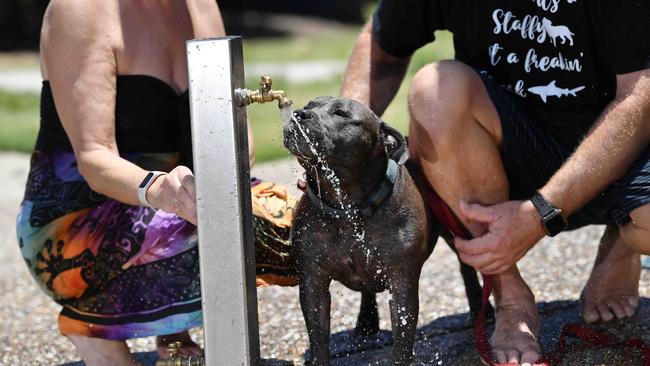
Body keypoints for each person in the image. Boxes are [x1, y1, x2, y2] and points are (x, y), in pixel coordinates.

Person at [341, 1, 649, 364]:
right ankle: (509, 294)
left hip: (621, 141)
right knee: (433, 90)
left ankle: (621, 243)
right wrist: (347, 155)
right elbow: (381, 46)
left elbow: (637, 98)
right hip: (507, 144)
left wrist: (542, 213)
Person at [15, 0, 297, 365]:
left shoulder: (200, 6)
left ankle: (172, 330)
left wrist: (229, 174)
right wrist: (164, 191)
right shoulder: (79, 10)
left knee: (295, 225)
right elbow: (94, 158)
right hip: (75, 221)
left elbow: (232, 131)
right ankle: (91, 325)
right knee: (197, 225)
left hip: (175, 198)